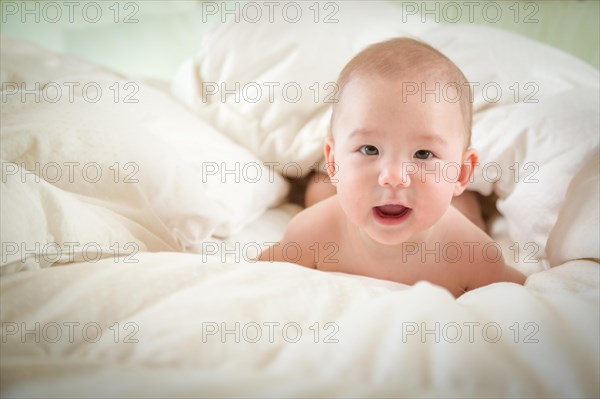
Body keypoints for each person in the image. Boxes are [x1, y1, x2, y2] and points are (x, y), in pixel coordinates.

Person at [259, 38, 525, 297]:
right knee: (318, 193)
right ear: (333, 162)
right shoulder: (312, 232)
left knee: (464, 212)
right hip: (336, 194)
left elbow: (528, 297)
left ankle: (472, 203)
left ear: (462, 173)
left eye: (423, 153)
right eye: (369, 149)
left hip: (454, 212)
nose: (394, 177)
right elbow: (252, 279)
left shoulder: (472, 254)